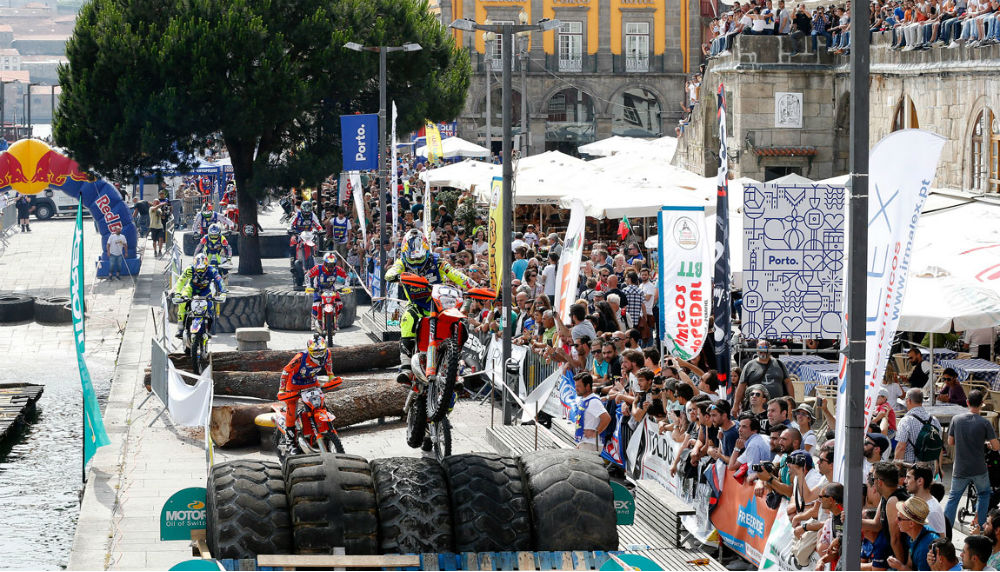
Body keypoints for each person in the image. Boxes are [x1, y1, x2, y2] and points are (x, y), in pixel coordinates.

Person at [385, 229, 474, 385]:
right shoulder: (402, 262)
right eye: (412, 252)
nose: (416, 258)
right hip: (416, 304)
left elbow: (454, 273)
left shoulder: (436, 261)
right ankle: (406, 366)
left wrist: (472, 285)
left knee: (459, 323)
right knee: (407, 319)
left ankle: (458, 364)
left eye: (419, 252)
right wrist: (395, 275)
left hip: (438, 303)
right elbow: (390, 272)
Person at [944, 389, 1000, 527]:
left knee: (953, 498)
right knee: (984, 494)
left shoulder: (956, 419)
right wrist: (985, 443)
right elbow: (996, 446)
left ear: (967, 402)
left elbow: (950, 442)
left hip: (960, 468)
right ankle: (980, 526)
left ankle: (946, 529)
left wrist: (964, 441)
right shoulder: (985, 423)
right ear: (982, 404)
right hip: (979, 468)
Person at [277, 336, 343, 452]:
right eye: (315, 353)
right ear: (309, 351)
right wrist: (281, 390)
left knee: (321, 404)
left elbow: (328, 364)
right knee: (292, 408)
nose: (319, 356)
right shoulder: (300, 358)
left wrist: (331, 376)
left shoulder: (327, 353)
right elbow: (286, 370)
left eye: (321, 352)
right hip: (294, 384)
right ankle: (290, 442)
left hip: (312, 381)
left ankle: (325, 431)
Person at [172, 253, 227, 338]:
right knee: (182, 303)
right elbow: (180, 281)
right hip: (191, 289)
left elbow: (220, 280)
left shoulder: (212, 270)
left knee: (210, 306)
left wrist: (223, 292)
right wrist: (178, 294)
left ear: (206, 266)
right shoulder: (189, 269)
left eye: (202, 269)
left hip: (205, 290)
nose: (200, 272)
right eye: (198, 269)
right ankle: (180, 327)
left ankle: (208, 328)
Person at [733, 340, 793, 414]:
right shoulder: (749, 365)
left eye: (765, 348)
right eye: (760, 348)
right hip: (756, 409)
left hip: (777, 409)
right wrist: (735, 405)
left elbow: (788, 383)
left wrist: (792, 403)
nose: (763, 351)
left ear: (770, 349)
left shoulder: (779, 364)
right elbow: (741, 386)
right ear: (757, 349)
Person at [888, 496, 939, 571]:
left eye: (899, 518)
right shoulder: (913, 534)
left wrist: (900, 567)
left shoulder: (925, 548)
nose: (896, 521)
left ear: (911, 524)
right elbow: (910, 565)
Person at [895, 388, 944, 465]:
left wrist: (897, 467)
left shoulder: (906, 421)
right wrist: (939, 468)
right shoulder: (934, 419)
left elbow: (901, 447)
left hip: (911, 468)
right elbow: (939, 444)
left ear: (908, 400)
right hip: (928, 467)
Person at [905, 462, 947, 535]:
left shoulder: (931, 511)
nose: (905, 481)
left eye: (908, 477)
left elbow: (940, 541)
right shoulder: (913, 499)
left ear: (920, 481)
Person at [572, 372, 611, 452]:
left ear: (588, 386)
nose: (576, 388)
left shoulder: (594, 402)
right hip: (585, 443)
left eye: (579, 386)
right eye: (576, 386)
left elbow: (607, 418)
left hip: (591, 445)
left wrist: (595, 433)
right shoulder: (584, 399)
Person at [306, 252, 348, 325]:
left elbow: (347, 276)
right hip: (319, 289)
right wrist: (308, 286)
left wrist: (346, 286)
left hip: (331, 289)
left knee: (339, 304)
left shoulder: (337, 269)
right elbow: (307, 275)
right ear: (324, 263)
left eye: (332, 265)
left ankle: (336, 320)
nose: (330, 267)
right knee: (316, 305)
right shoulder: (318, 268)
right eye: (328, 264)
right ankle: (313, 320)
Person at [730, 414, 772, 478]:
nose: (739, 430)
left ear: (754, 430)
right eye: (739, 426)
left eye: (744, 427)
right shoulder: (762, 438)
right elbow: (731, 466)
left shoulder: (753, 445)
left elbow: (751, 475)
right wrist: (737, 448)